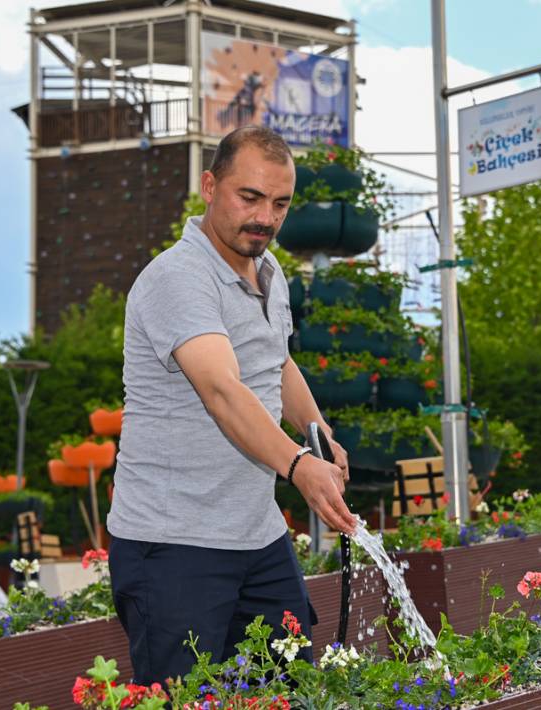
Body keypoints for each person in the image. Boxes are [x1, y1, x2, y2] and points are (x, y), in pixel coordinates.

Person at [106, 125, 358, 686]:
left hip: (257, 536)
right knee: (187, 700)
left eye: (280, 203)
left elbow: (277, 363)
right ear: (209, 186)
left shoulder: (270, 273)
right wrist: (297, 464)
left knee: (291, 690)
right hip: (173, 545)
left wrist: (318, 431)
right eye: (249, 197)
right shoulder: (178, 278)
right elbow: (222, 390)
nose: (265, 217)